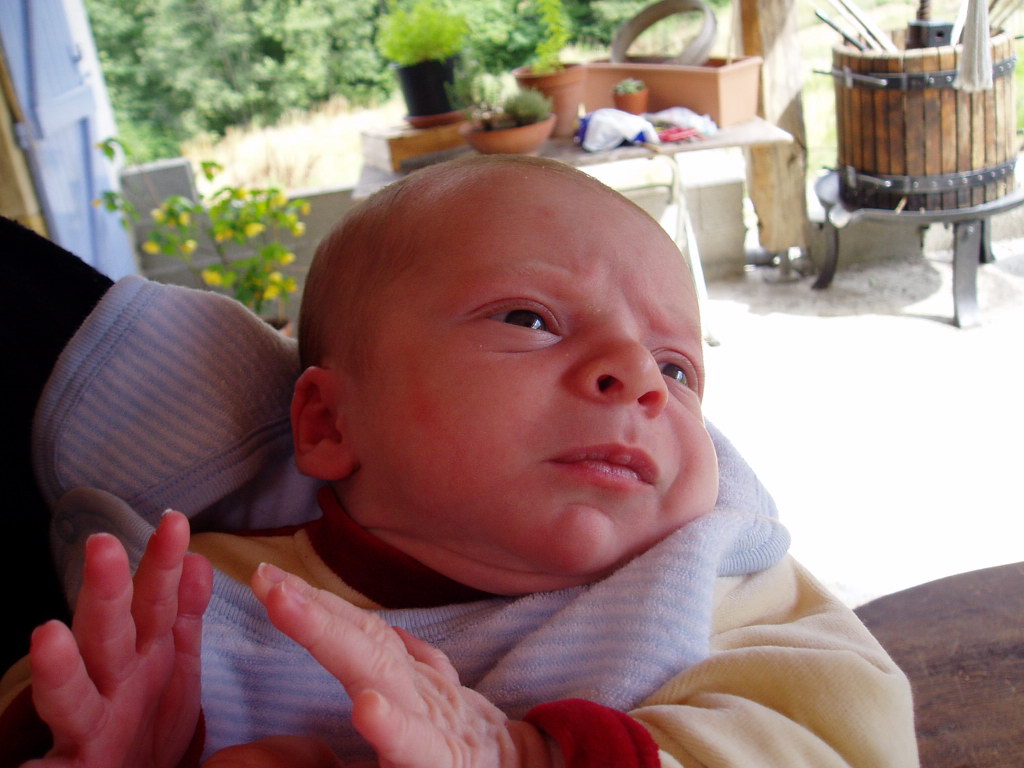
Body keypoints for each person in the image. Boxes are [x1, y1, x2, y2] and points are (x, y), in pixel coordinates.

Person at [0, 156, 918, 767]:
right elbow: (61, 691)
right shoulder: (211, 595)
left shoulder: (714, 575)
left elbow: (845, 732)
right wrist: (113, 743)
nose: (638, 375)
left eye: (677, 368)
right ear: (327, 422)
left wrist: (532, 756)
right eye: (530, 318)